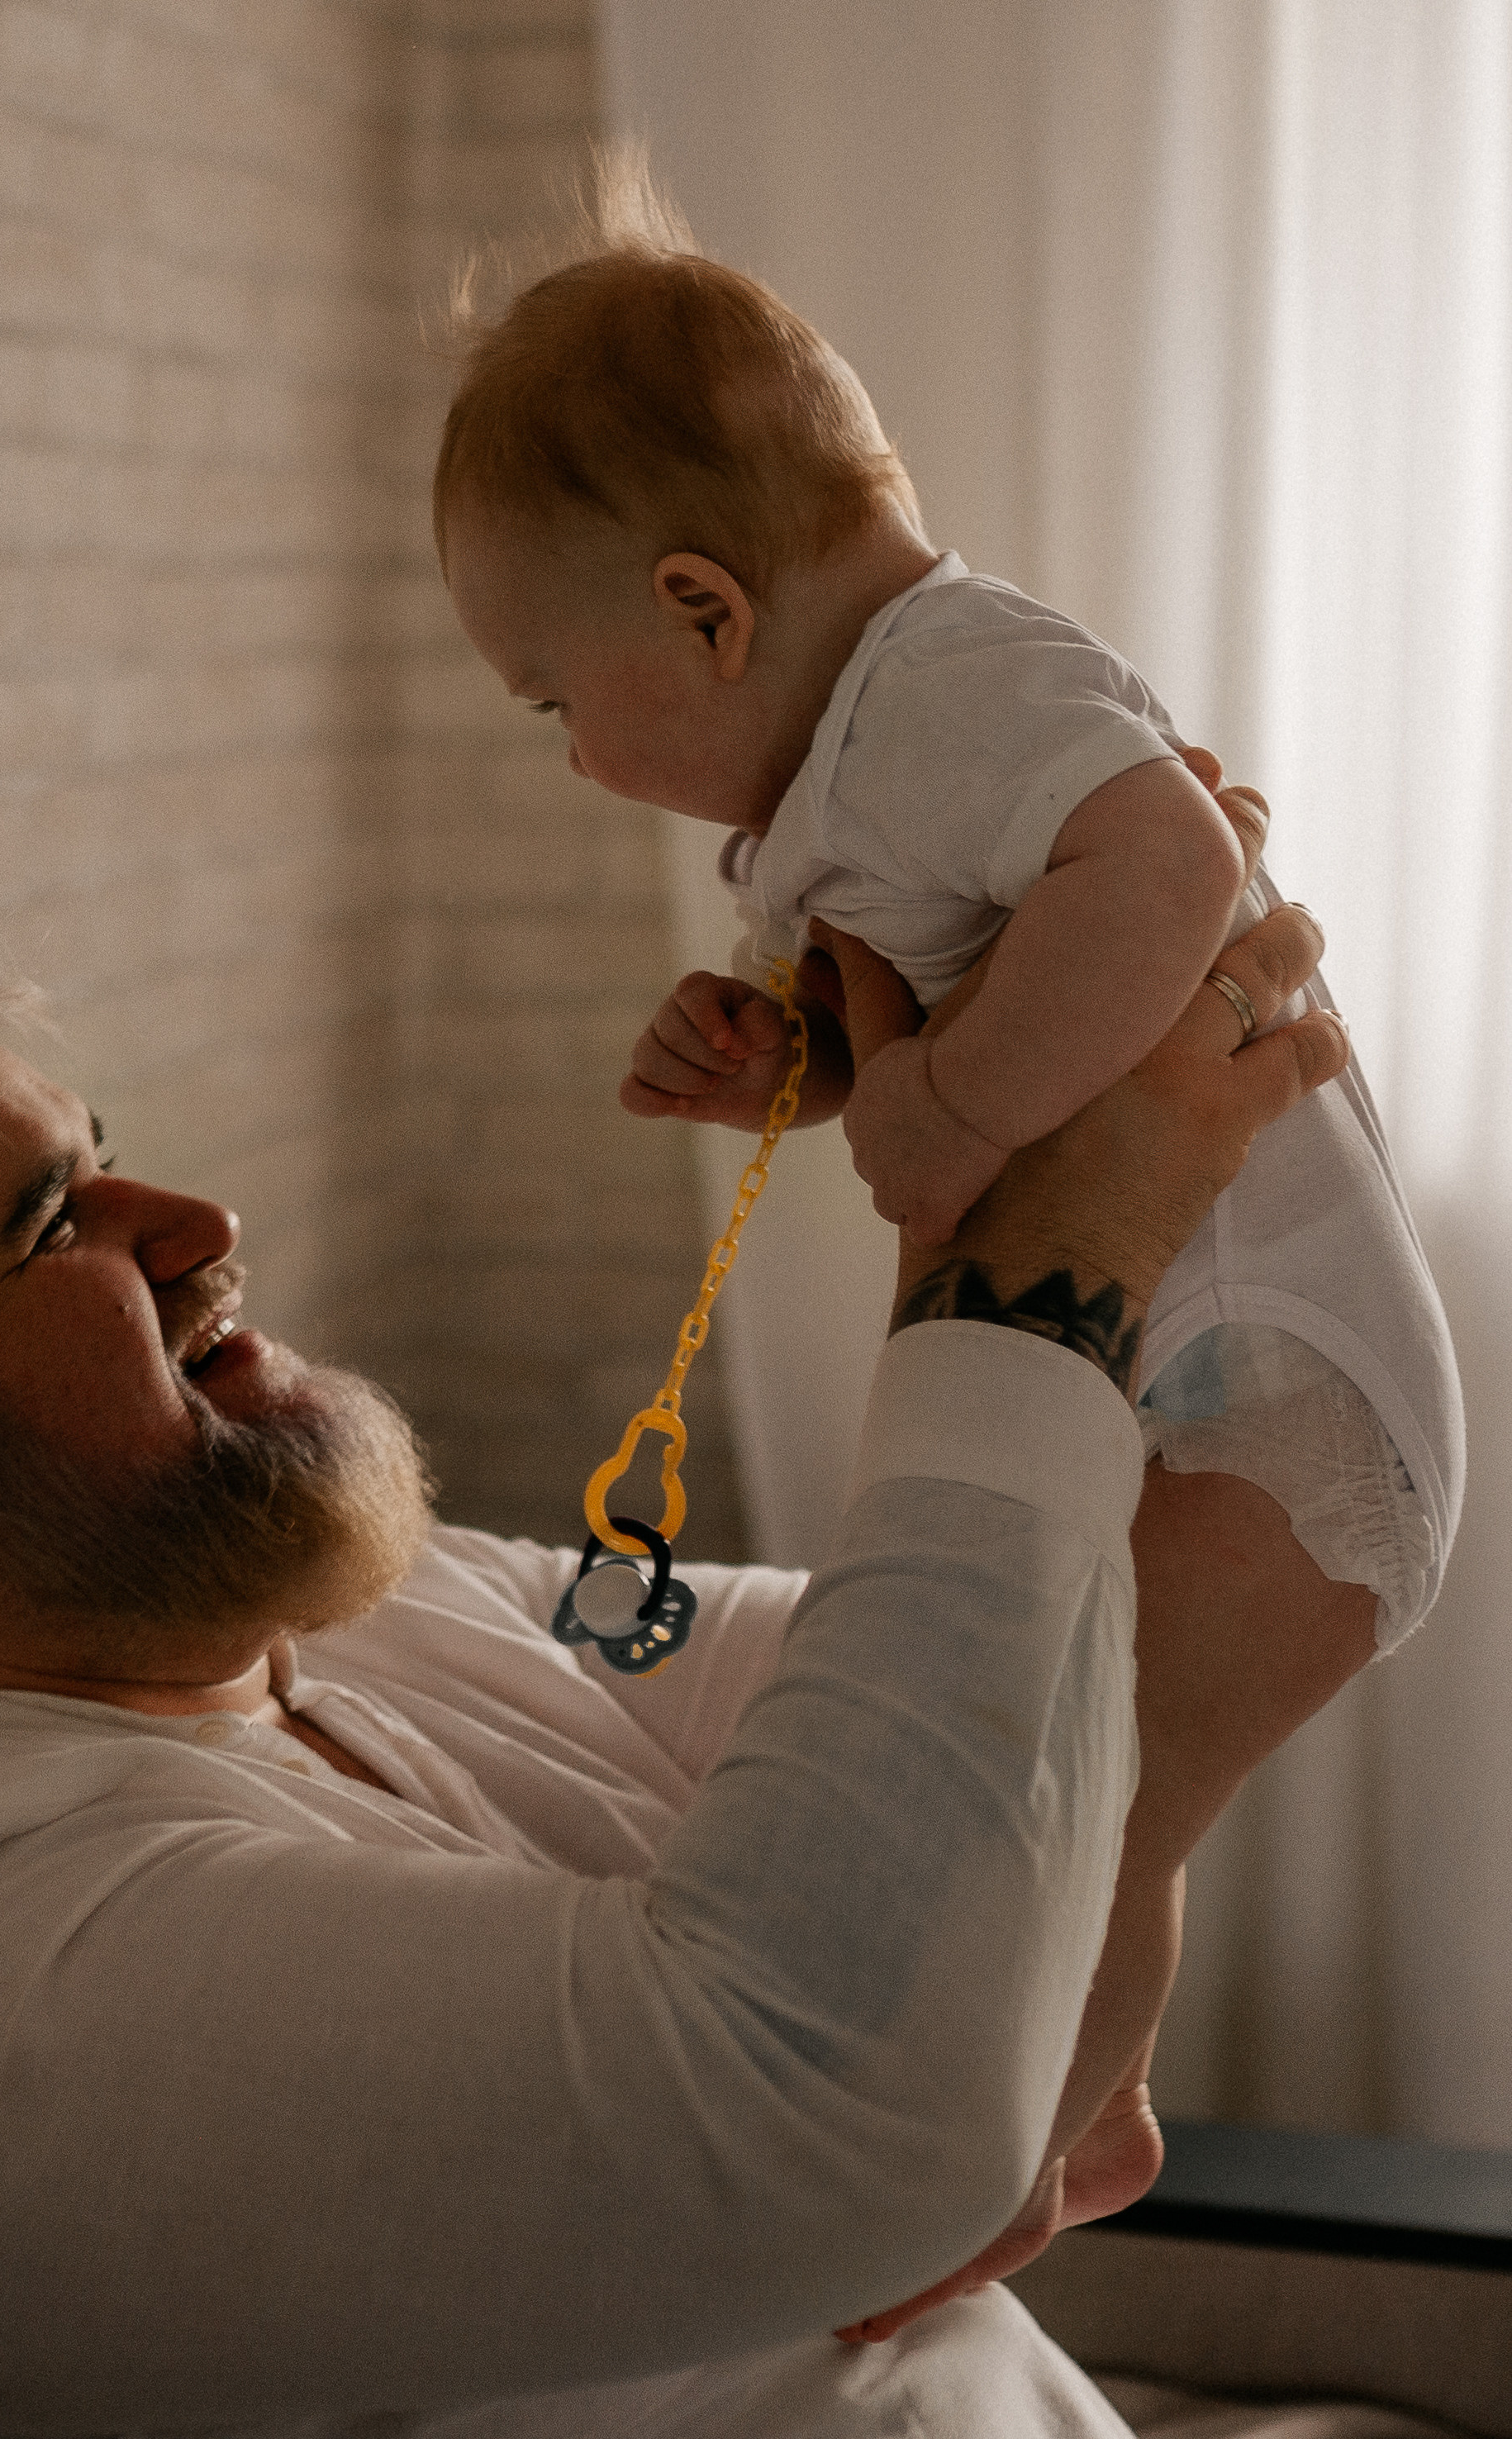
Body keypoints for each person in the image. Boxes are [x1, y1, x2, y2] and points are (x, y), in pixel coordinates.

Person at [0, 854, 1343, 2434]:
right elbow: (833, 2089)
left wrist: (1039, 1058)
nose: (199, 1222)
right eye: (49, 1229)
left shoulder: (361, 1609)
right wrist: (1027, 1266)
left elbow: (1083, 1665)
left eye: (109, 1160)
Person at [431, 164, 1466, 2293]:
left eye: (551, 697)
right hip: (1198, 1378)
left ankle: (971, 2191)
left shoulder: (942, 681)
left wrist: (932, 1102)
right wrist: (792, 1071)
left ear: (706, 611)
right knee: (1088, 1775)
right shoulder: (843, 786)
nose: (560, 757)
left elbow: (1169, 873)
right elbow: (982, 1020)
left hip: (1295, 1405)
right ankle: (1081, 2126)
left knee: (1080, 1819)